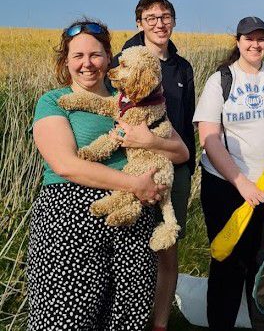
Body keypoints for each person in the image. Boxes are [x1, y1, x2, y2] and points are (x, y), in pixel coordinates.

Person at [28, 20, 189, 330]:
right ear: (66, 61)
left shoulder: (136, 102)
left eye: (96, 55)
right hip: (70, 216)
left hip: (132, 218)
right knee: (68, 313)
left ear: (109, 58)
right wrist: (136, 185)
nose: (87, 64)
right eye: (78, 56)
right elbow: (66, 165)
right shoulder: (52, 102)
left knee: (127, 314)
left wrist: (148, 141)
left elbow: (181, 151)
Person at [194, 16, 264, 330]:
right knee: (227, 263)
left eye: (261, 39)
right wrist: (241, 183)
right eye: (249, 39)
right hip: (227, 188)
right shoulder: (222, 80)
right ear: (238, 42)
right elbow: (209, 137)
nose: (255, 45)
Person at [108, 0, 196, 331]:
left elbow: (186, 123)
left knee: (166, 249)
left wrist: (180, 162)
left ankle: (159, 323)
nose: (159, 24)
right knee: (128, 245)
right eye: (151, 18)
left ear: (173, 21)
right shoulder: (123, 60)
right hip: (130, 164)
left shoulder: (182, 67)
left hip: (174, 164)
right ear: (139, 23)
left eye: (165, 17)